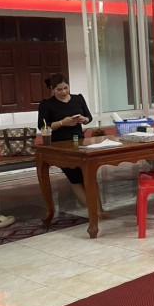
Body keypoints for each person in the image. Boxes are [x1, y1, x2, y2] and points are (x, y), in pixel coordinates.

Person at [37, 74, 109, 217]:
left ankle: (100, 210)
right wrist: (62, 123)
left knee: (89, 177)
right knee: (75, 178)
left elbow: (89, 117)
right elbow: (43, 126)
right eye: (59, 90)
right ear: (52, 89)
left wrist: (83, 119)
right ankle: (94, 213)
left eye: (66, 88)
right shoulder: (47, 104)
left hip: (79, 142)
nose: (63, 92)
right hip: (61, 145)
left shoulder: (78, 99)